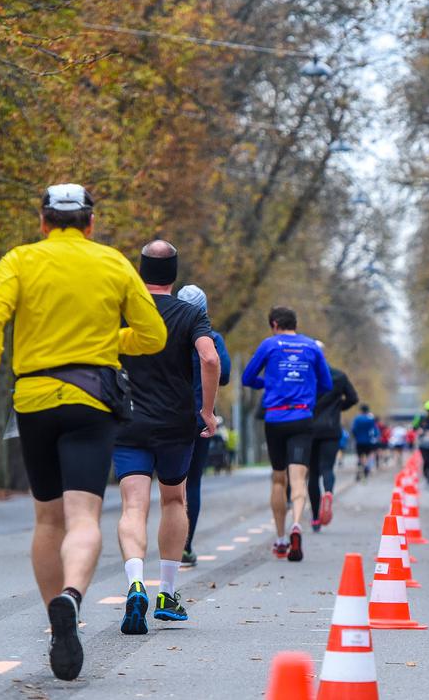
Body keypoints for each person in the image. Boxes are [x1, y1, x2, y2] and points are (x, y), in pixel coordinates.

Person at [0, 184, 167, 680]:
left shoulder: (19, 260)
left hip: (34, 399)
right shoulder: (113, 263)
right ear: (90, 224)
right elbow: (153, 335)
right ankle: (72, 598)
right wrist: (108, 338)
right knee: (84, 517)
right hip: (90, 401)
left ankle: (59, 625)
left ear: (42, 222)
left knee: (47, 519)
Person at [111, 242, 219, 634]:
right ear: (174, 274)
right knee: (174, 499)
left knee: (132, 507)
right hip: (176, 424)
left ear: (140, 272)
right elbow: (210, 359)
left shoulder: (123, 313)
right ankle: (167, 593)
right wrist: (206, 411)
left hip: (129, 423)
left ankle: (135, 582)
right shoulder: (190, 314)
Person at [241, 306, 332, 561]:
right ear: (295, 323)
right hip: (302, 417)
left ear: (274, 324)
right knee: (299, 479)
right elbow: (326, 384)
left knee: (279, 479)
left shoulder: (269, 345)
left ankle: (281, 539)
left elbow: (247, 378)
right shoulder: (312, 347)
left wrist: (268, 383)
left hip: (275, 419)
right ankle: (297, 524)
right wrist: (307, 389)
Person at [175, 285, 231, 567]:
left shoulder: (165, 334)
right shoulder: (213, 338)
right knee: (193, 482)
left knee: (170, 484)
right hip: (200, 419)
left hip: (167, 416)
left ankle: (167, 545)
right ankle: (185, 546)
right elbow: (225, 374)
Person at [309, 347, 359, 532]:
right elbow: (353, 398)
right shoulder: (339, 375)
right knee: (327, 468)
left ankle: (315, 518)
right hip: (331, 429)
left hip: (309, 428)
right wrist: (338, 407)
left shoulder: (306, 375)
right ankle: (329, 492)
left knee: (313, 474)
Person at [351, 404, 381, 480]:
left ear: (361, 410)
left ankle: (360, 469)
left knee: (360, 456)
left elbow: (354, 429)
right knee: (368, 455)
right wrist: (375, 438)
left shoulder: (357, 419)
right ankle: (366, 467)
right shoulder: (370, 419)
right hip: (368, 441)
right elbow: (375, 430)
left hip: (359, 441)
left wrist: (356, 436)